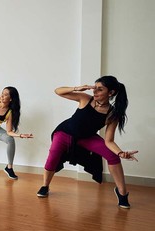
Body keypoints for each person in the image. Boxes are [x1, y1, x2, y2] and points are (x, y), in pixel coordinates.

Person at [36, 76, 138, 209]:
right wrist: (76, 88)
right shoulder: (85, 98)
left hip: (87, 137)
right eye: (95, 88)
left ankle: (122, 193)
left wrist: (120, 153)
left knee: (113, 155)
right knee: (53, 156)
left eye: (100, 89)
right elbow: (58, 91)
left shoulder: (113, 114)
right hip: (65, 132)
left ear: (111, 93)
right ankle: (45, 186)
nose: (95, 92)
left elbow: (109, 140)